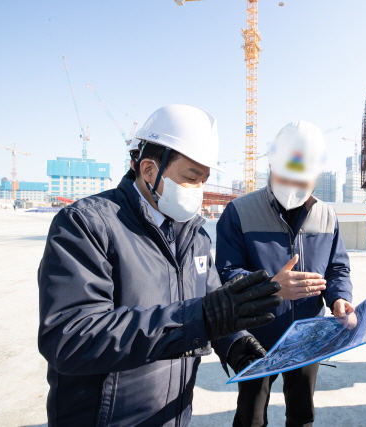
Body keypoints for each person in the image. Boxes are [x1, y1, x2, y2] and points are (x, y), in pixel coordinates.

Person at [37, 104, 283, 427]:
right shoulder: (86, 225)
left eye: (204, 181)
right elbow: (71, 337)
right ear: (150, 171)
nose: (198, 192)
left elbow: (211, 307)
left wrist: (236, 343)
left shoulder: (195, 237)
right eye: (190, 179)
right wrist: (201, 320)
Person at [216, 120, 354, 427]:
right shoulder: (239, 212)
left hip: (306, 334)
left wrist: (339, 299)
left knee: (302, 415)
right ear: (271, 163)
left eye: (303, 179)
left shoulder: (327, 214)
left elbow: (337, 267)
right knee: (251, 415)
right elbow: (225, 274)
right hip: (256, 335)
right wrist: (271, 288)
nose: (294, 185)